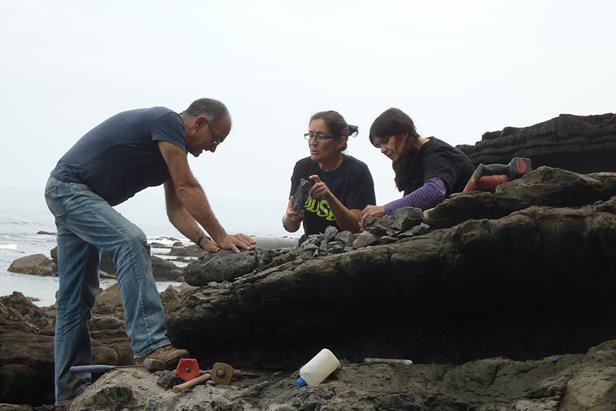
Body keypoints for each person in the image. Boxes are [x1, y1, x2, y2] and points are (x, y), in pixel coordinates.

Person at [44, 98, 256, 406]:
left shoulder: (169, 148)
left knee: (75, 300)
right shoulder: (167, 122)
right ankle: (150, 344)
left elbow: (176, 209)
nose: (212, 148)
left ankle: (68, 394)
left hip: (76, 194)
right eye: (216, 139)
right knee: (130, 241)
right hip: (70, 189)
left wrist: (204, 242)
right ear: (198, 123)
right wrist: (222, 235)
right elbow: (187, 187)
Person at [361, 108, 474, 223]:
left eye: (385, 141)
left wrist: (385, 209)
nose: (383, 150)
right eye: (379, 146)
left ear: (403, 133)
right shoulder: (412, 160)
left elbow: (434, 192)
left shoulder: (437, 152)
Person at [283, 110, 376, 241]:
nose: (313, 142)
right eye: (310, 135)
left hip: (345, 247)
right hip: (310, 244)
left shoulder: (357, 171)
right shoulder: (302, 167)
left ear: (340, 142)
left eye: (320, 136)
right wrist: (291, 218)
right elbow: (290, 227)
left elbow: (358, 228)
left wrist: (329, 197)